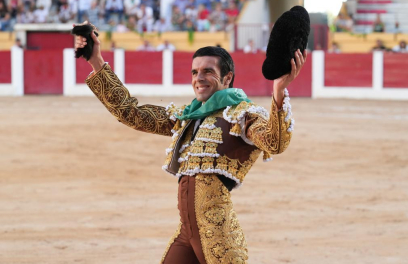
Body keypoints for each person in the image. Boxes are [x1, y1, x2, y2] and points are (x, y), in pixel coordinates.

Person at [74, 21, 305, 264]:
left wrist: (279, 90)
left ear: (227, 77)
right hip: (187, 233)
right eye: (195, 72)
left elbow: (275, 142)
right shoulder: (188, 116)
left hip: (219, 236)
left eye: (207, 71)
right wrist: (96, 61)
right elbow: (132, 114)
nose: (199, 78)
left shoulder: (242, 113)